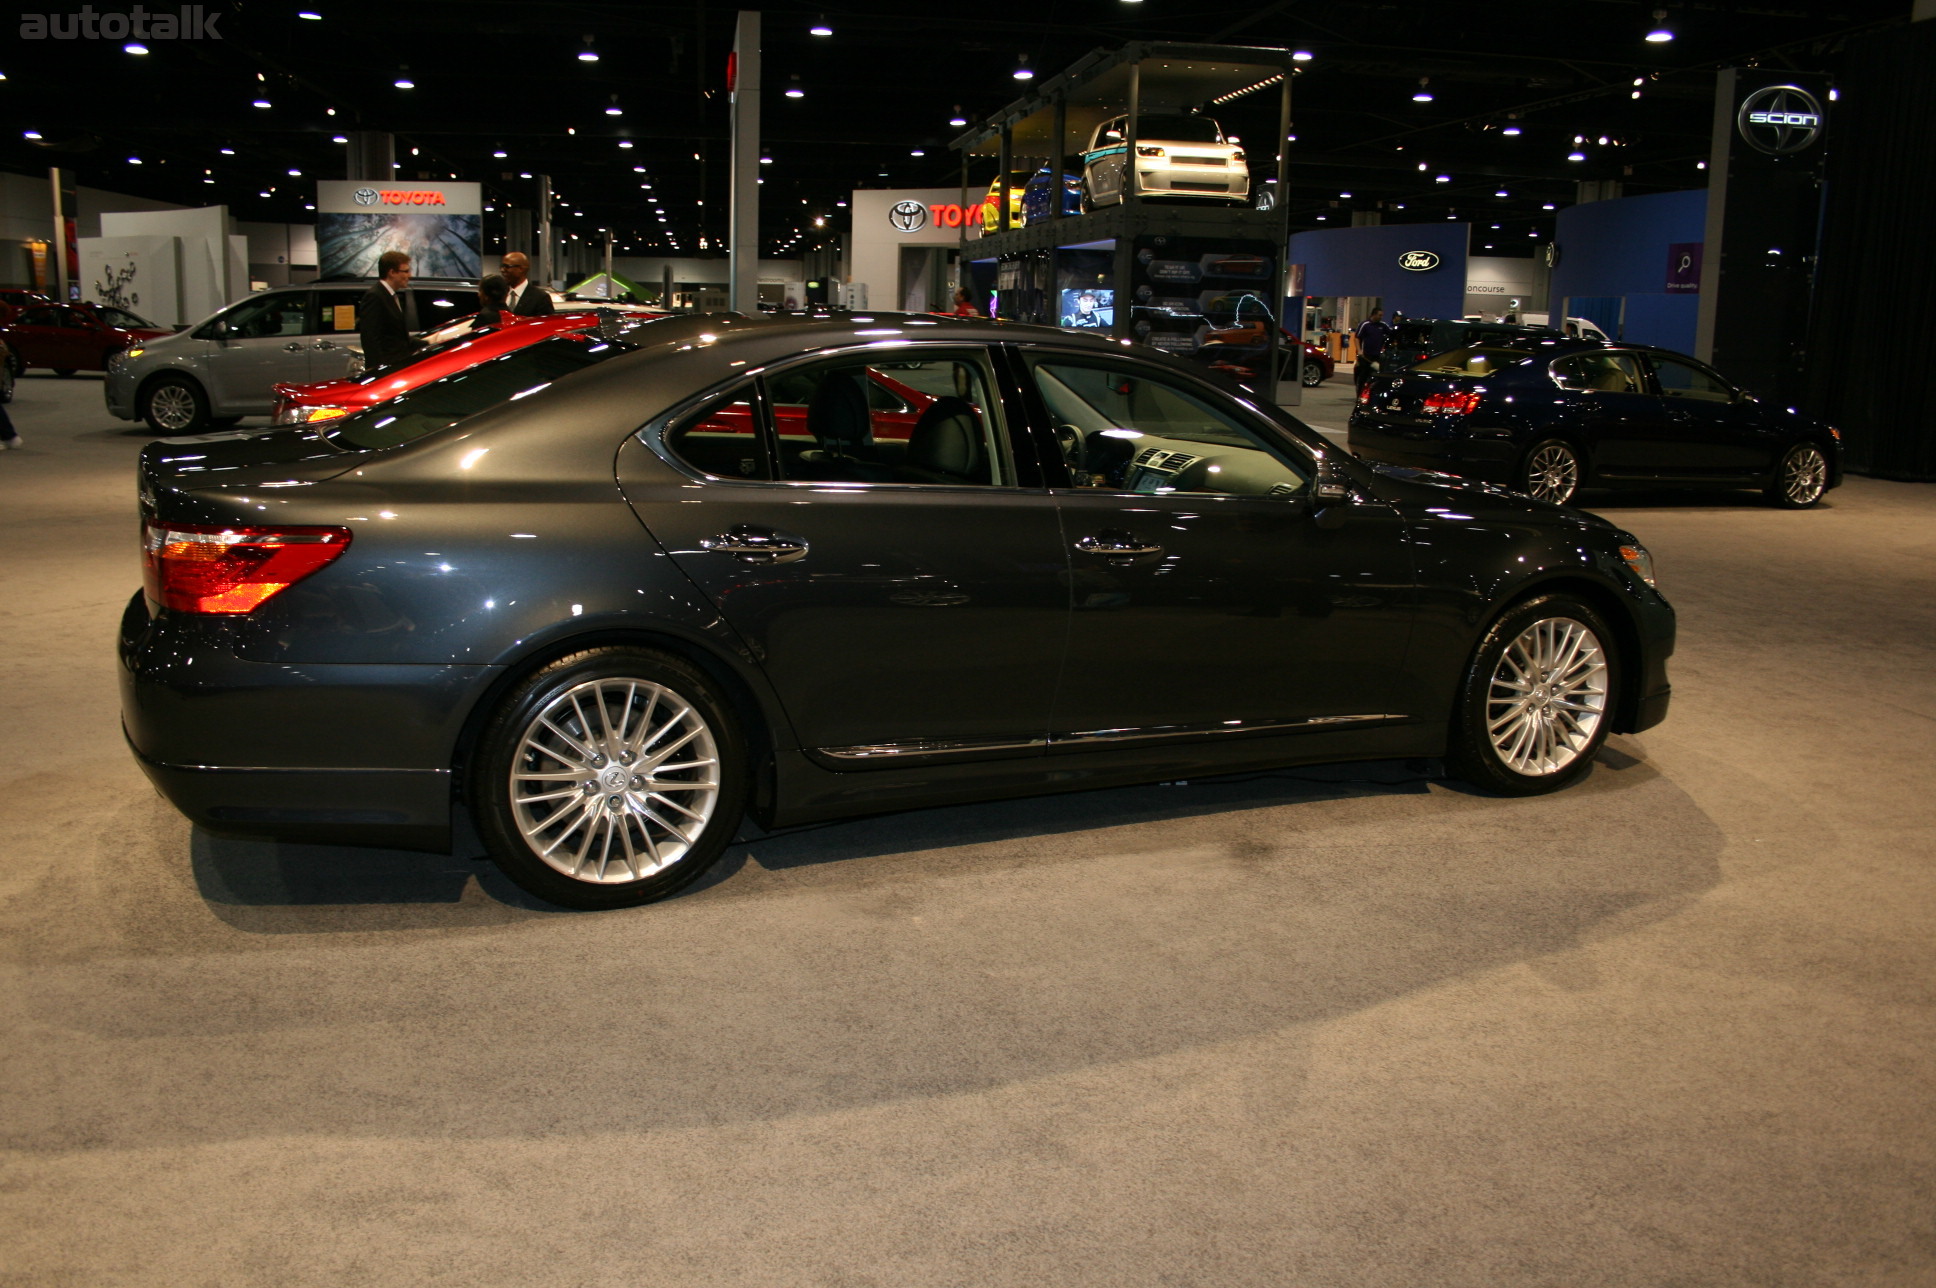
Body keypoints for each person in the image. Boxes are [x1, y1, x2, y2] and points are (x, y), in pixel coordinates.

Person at [357, 251, 424, 370]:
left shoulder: (390, 296)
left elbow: (396, 337)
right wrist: (377, 371)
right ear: (392, 272)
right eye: (406, 271)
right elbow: (371, 339)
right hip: (386, 369)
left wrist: (428, 342)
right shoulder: (375, 296)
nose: (410, 275)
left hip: (397, 365)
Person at [500, 252, 555, 317]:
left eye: (507, 267)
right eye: (502, 266)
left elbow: (545, 325)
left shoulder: (540, 298)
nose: (502, 270)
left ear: (521, 269)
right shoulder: (498, 294)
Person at [1353, 306, 1392, 392]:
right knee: (1363, 377)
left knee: (1375, 377)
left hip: (1377, 356)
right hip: (1365, 356)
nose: (1381, 317)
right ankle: (1360, 395)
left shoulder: (1383, 325)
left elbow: (1392, 334)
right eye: (1379, 315)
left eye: (1382, 315)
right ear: (1374, 314)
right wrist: (1359, 350)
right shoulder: (1365, 324)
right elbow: (1357, 338)